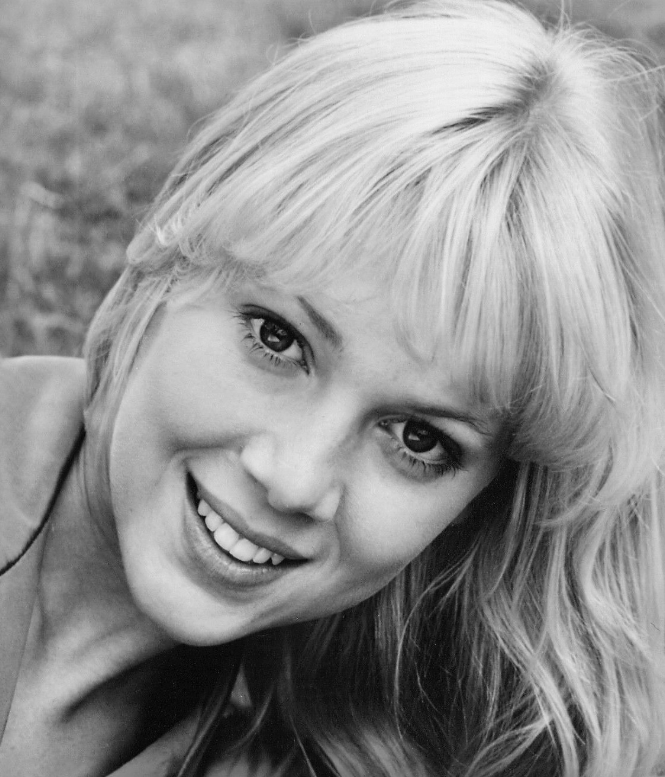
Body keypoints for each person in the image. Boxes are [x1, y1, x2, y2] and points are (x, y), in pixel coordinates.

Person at [1, 0, 665, 775]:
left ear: (476, 504)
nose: (294, 478)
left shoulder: (341, 742)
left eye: (418, 438)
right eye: (276, 339)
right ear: (166, 259)